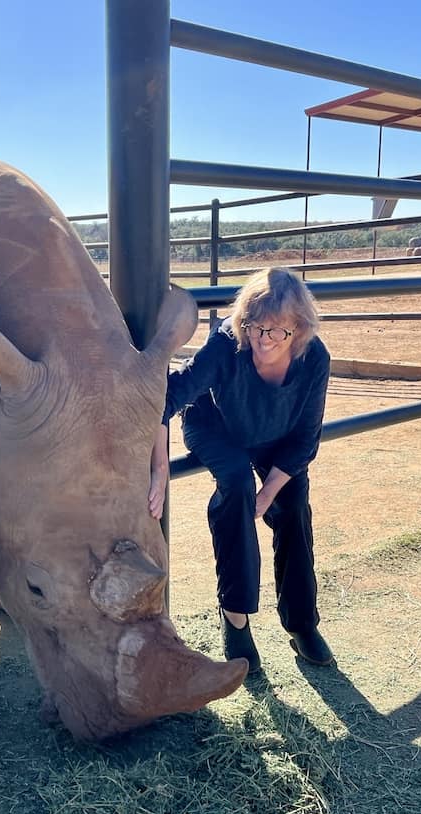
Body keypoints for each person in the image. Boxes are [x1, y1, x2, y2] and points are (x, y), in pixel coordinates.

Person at [148, 267, 332, 674]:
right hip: (216, 425)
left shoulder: (315, 358)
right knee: (234, 482)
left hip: (277, 435)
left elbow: (305, 439)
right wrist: (160, 466)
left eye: (276, 332)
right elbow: (168, 397)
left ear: (298, 329)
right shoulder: (228, 341)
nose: (262, 341)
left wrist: (267, 495)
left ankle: (302, 623)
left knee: (294, 504)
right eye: (254, 328)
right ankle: (235, 618)